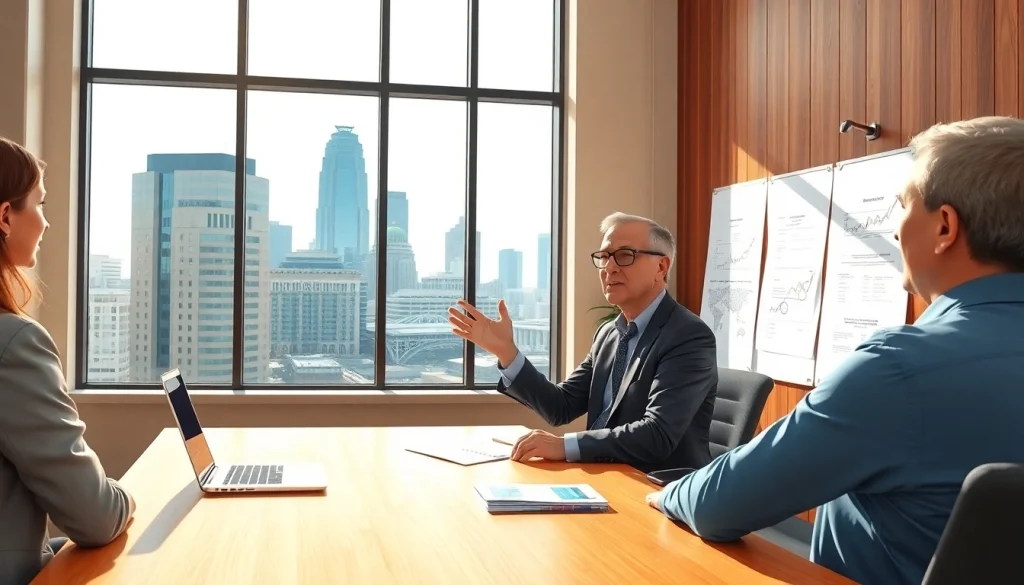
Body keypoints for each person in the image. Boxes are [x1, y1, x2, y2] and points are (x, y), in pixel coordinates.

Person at [646, 116, 1024, 585]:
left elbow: (721, 504)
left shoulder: (899, 370)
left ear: (945, 226)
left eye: (903, 208)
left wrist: (671, 494)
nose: (895, 231)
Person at [449, 213, 717, 472]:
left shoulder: (688, 336)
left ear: (661, 267)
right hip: (604, 479)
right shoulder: (608, 334)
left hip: (659, 491)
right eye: (603, 257)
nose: (609, 267)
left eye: (624, 255)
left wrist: (564, 446)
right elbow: (561, 406)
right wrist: (506, 351)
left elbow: (658, 434)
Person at [0, 137, 135, 585]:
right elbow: (95, 518)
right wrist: (131, 500)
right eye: (39, 204)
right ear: (5, 217)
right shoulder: (14, 343)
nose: (46, 222)